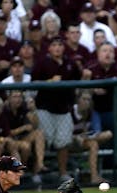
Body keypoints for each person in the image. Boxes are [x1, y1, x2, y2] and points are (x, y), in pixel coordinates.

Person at [32, 35, 82, 182]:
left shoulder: (70, 63)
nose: (57, 48)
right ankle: (36, 172)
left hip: (64, 109)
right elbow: (33, 82)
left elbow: (78, 79)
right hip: (45, 108)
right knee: (43, 140)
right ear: (49, 48)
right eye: (54, 45)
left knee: (63, 142)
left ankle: (63, 172)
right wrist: (49, 82)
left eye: (60, 45)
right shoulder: (42, 62)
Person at [3, 90, 47, 184]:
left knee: (39, 133)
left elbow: (34, 126)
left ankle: (40, 164)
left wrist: (33, 111)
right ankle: (20, 170)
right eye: (15, 97)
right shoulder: (5, 110)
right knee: (25, 146)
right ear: (9, 98)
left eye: (19, 97)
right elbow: (8, 133)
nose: (18, 99)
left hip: (22, 138)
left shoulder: (23, 108)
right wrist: (23, 128)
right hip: (8, 140)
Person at [71, 90, 112, 184]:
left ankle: (94, 177)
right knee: (87, 140)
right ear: (78, 100)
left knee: (99, 140)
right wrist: (77, 137)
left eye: (88, 100)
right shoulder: (70, 111)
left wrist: (84, 137)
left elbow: (90, 131)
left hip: (84, 141)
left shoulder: (90, 113)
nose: (86, 102)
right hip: (70, 142)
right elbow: (65, 135)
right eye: (84, 99)